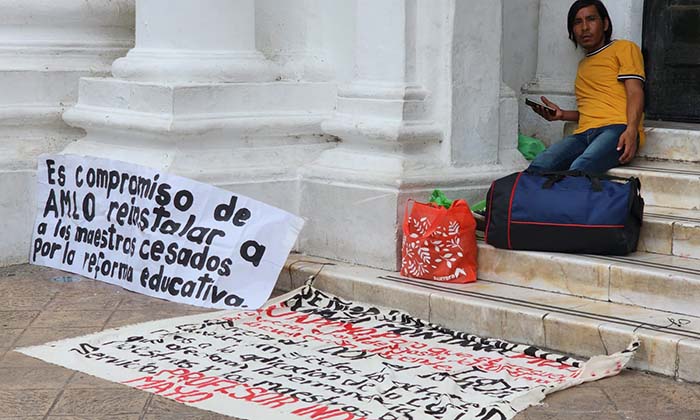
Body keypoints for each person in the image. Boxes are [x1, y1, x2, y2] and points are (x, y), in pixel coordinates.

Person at [527, 0, 646, 174]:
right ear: (572, 31)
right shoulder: (583, 66)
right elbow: (593, 109)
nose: (584, 27)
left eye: (591, 19)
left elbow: (635, 91)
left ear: (604, 24)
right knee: (539, 166)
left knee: (580, 169)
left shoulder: (624, 48)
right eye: (577, 22)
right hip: (583, 134)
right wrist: (561, 115)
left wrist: (631, 130)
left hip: (617, 129)